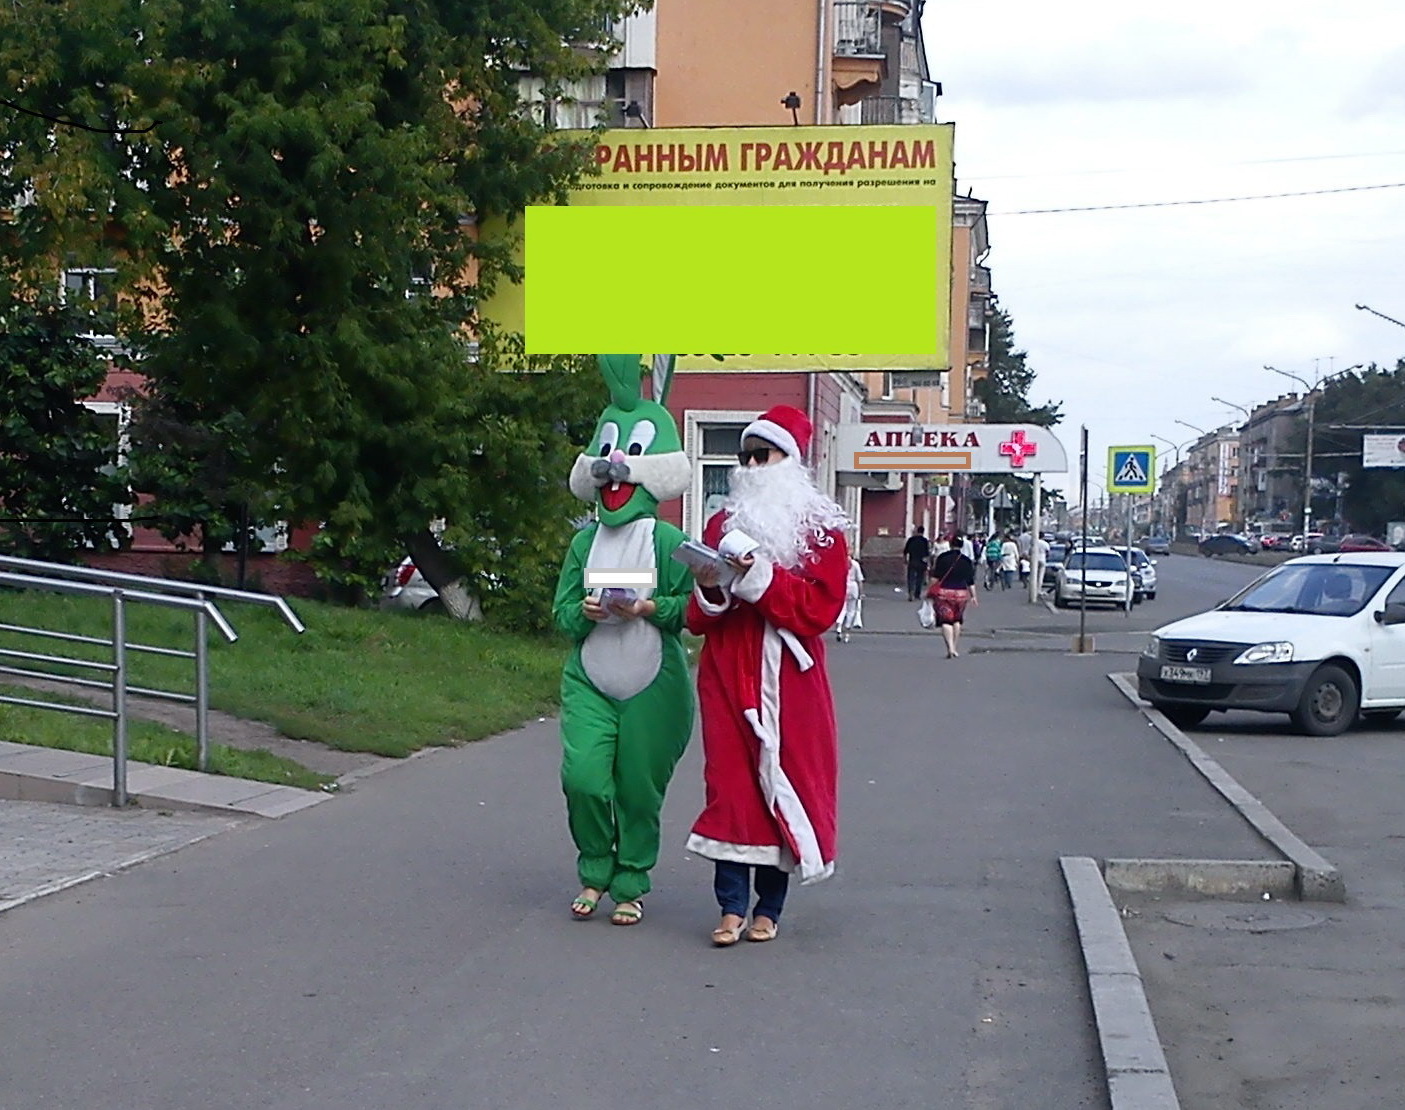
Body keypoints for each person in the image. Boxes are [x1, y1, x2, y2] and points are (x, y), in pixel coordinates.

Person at [687, 404, 848, 947]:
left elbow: (818, 612)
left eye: (765, 454)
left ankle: (769, 908)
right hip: (728, 673)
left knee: (783, 784)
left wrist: (760, 578)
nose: (753, 465)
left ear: (791, 461)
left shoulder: (823, 533)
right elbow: (697, 616)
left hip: (790, 682)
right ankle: (730, 907)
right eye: (747, 456)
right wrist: (713, 587)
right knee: (730, 787)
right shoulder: (720, 525)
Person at [552, 355, 696, 928]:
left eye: (631, 458)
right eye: (609, 459)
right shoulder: (584, 545)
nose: (616, 471)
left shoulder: (668, 540)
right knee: (583, 778)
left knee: (639, 789)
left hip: (652, 684)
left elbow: (695, 609)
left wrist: (650, 608)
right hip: (592, 677)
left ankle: (630, 878)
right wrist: (586, 614)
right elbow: (562, 614)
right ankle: (594, 867)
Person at [925, 533, 978, 658]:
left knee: (945, 621)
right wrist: (974, 596)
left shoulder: (942, 558)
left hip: (944, 593)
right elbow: (970, 581)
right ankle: (955, 646)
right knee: (957, 620)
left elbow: (935, 578)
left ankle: (949, 647)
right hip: (961, 594)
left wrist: (929, 590)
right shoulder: (966, 561)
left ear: (950, 544)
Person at [836, 543, 864, 644]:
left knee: (842, 609)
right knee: (851, 611)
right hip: (853, 588)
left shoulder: (841, 564)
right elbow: (860, 579)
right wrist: (861, 593)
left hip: (843, 587)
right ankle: (847, 633)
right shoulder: (855, 564)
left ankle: (839, 627)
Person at [903, 525, 930, 601]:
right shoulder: (925, 541)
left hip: (912, 561)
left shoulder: (911, 540)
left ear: (917, 531)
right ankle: (917, 594)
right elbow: (927, 554)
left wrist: (905, 560)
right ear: (923, 532)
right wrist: (928, 564)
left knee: (911, 578)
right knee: (919, 578)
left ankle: (911, 592)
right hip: (921, 562)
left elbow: (905, 551)